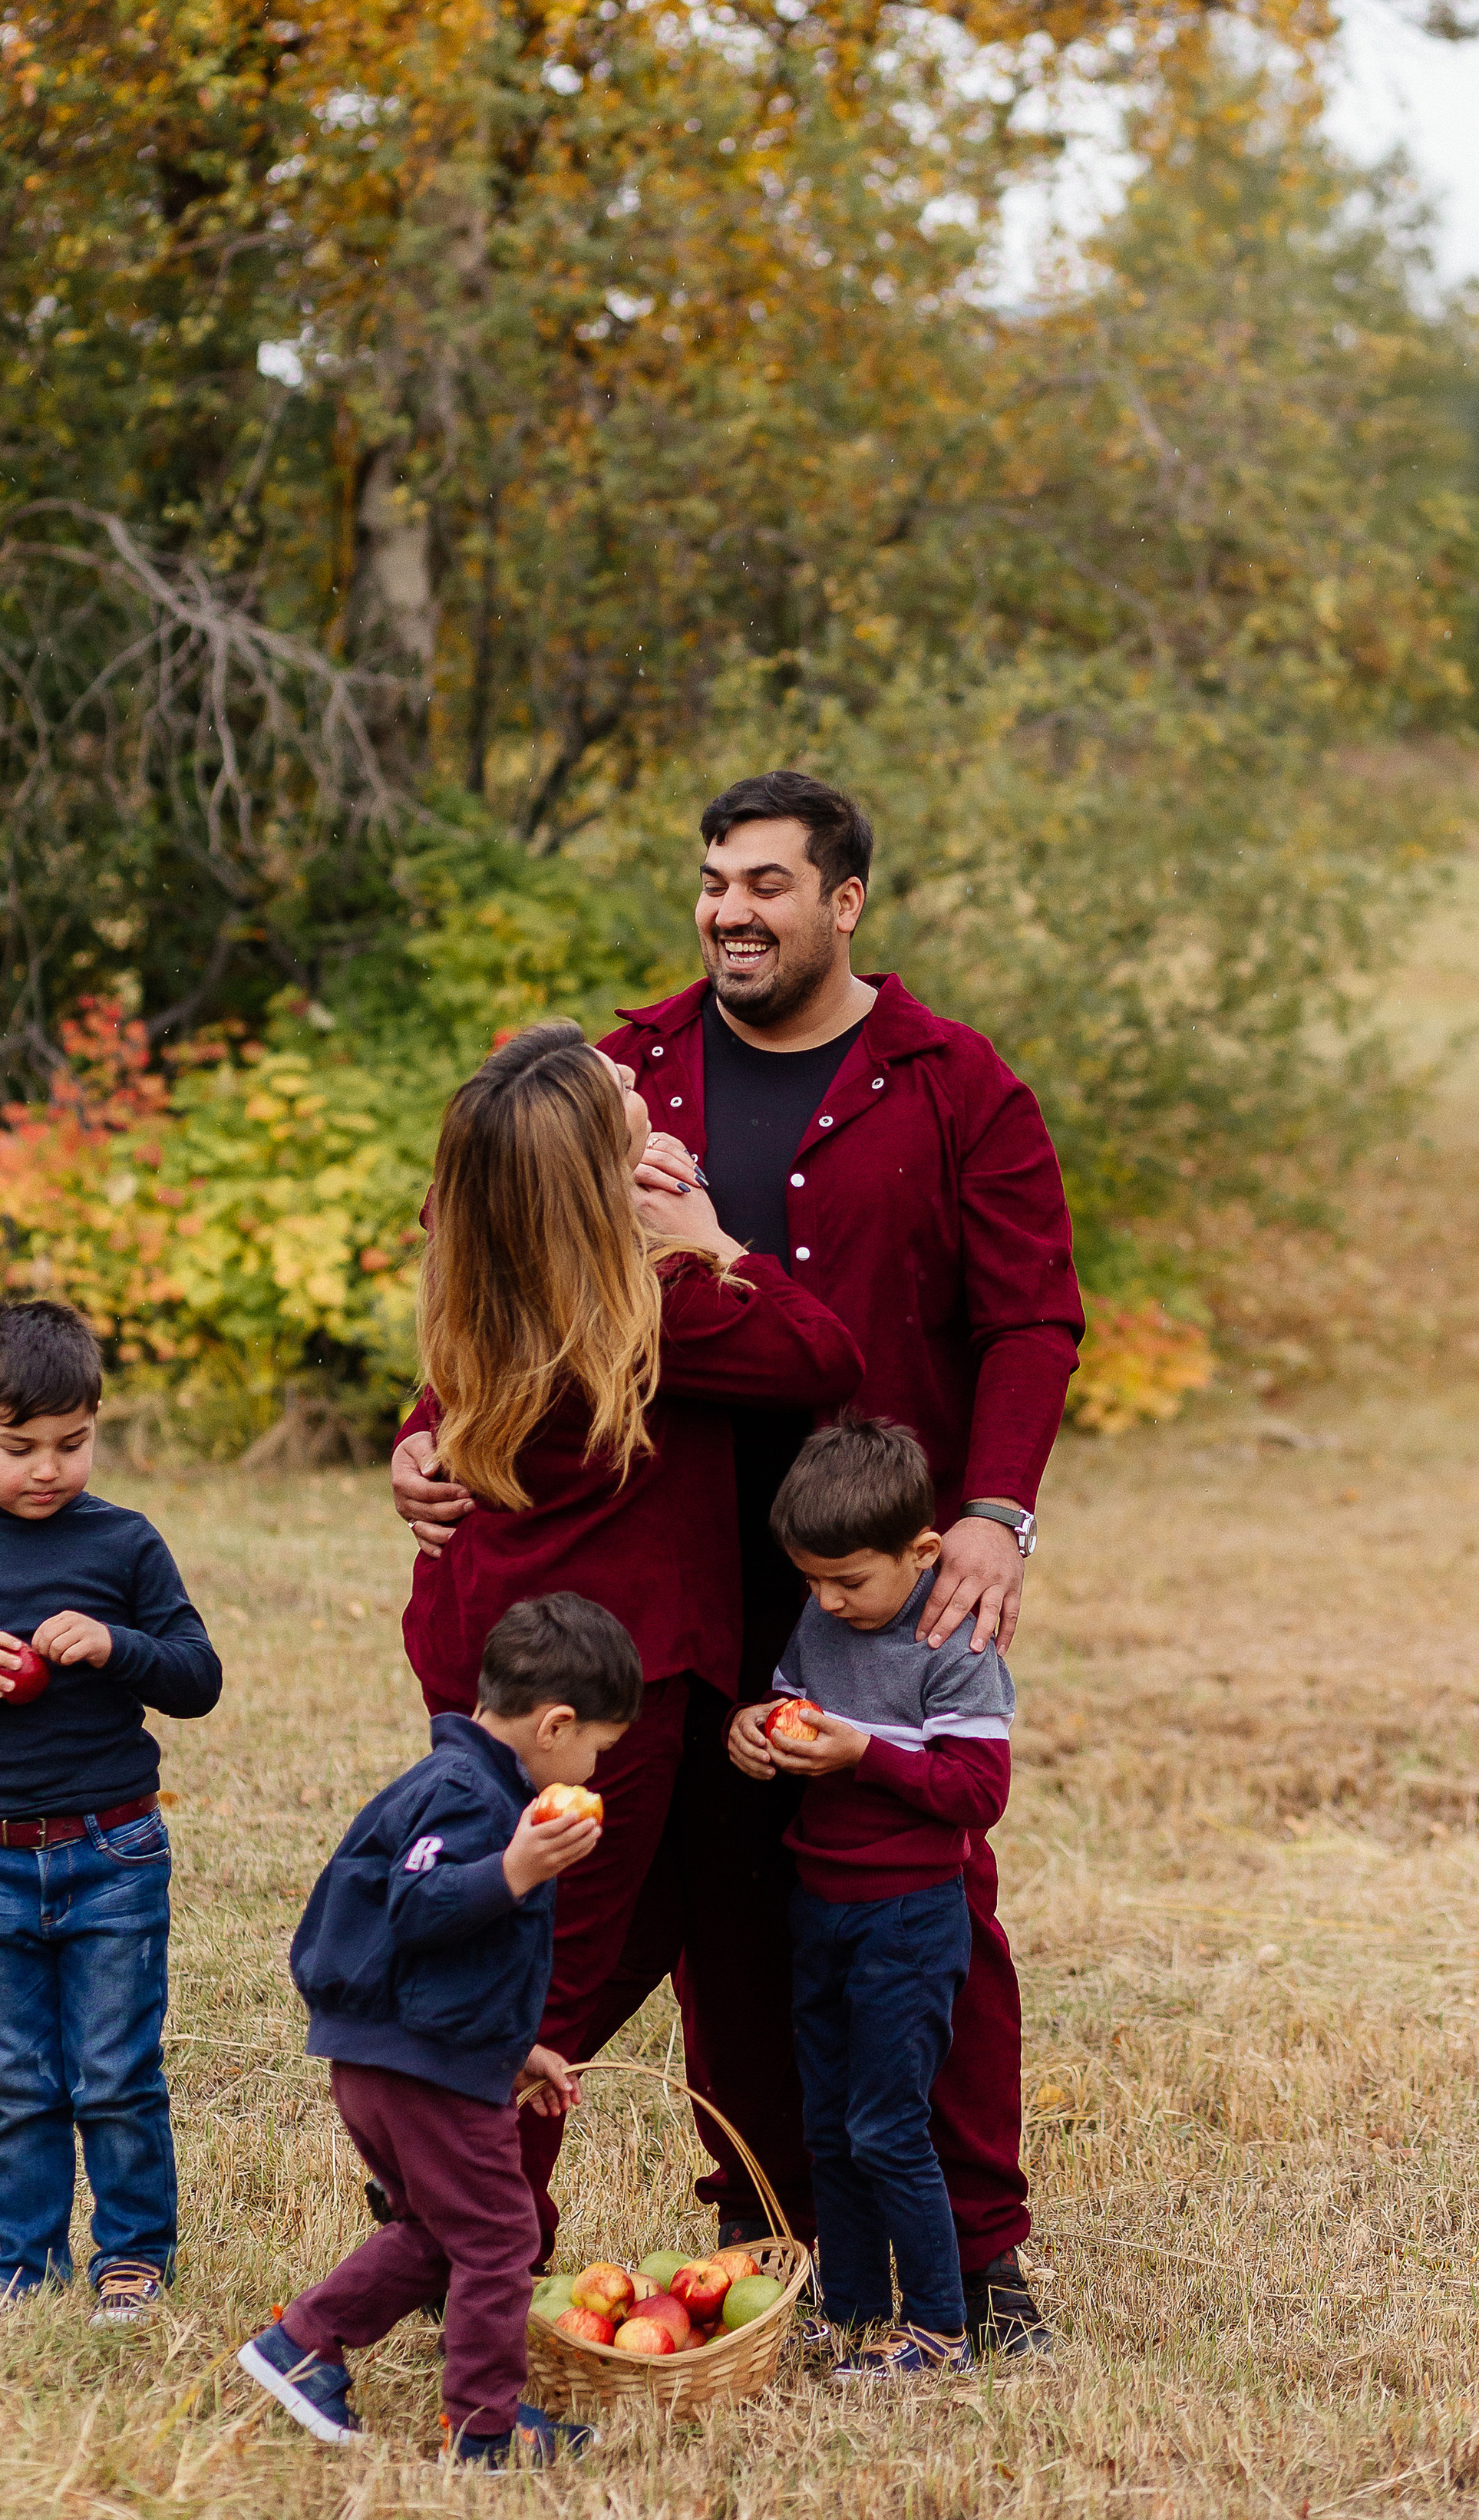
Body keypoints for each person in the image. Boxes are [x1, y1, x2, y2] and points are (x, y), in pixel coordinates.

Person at [393, 770, 1082, 2352]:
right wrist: (424, 1434)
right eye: (712, 881)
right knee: (651, 1911)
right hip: (646, 1596)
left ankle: (967, 2249)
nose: (728, 910)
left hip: (859, 1577)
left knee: (912, 1907)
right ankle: (630, 2204)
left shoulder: (950, 1083)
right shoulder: (614, 1066)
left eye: (765, 884)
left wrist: (989, 1513)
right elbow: (488, 1244)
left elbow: (1030, 1316)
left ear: (844, 902)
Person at [397, 1018, 863, 2260]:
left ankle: (446, 2145)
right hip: (614, 1680)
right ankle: (472, 2222)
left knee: (612, 1924)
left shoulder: (491, 1260)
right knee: (560, 1952)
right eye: (623, 1099)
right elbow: (824, 1355)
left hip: (487, 1645)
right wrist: (718, 1245)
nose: (642, 1084)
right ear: (596, 1181)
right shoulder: (656, 1304)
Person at [0, 1294, 222, 2325]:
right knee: (16, 2079)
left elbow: (197, 1676)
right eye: (19, 1447)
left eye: (73, 1443)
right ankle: (22, 2266)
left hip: (114, 1847)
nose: (49, 1468)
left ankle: (133, 2258)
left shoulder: (126, 1546)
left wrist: (118, 1647)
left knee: (114, 2069)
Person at [238, 1593, 636, 2465]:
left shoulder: (471, 1789)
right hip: (421, 2071)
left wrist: (514, 2047)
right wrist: (512, 1870)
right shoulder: (469, 1796)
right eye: (597, 1750)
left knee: (437, 2231)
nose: (595, 1772)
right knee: (501, 2240)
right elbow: (417, 1909)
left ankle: (299, 2346)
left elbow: (445, 1958)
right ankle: (486, 2430)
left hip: (400, 2057)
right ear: (556, 1724)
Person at [728, 1419, 1014, 2379]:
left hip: (908, 1915)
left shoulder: (953, 1642)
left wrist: (865, 1756)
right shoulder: (825, 1618)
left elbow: (979, 1794)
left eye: (848, 1580)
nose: (826, 1600)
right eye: (811, 1580)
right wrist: (757, 1727)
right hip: (823, 1902)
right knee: (827, 2121)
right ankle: (849, 2310)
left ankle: (939, 2327)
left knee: (887, 2125)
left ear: (922, 1553)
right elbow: (789, 1701)